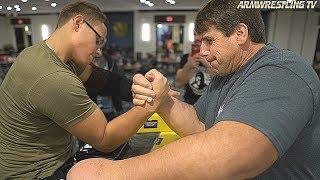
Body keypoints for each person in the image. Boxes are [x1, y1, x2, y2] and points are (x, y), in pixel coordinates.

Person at [67, 0, 320, 179]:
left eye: (209, 41)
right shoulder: (226, 75)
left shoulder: (281, 71)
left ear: (241, 33)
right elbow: (199, 125)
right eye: (200, 43)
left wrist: (113, 173)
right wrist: (162, 98)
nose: (203, 52)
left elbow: (229, 157)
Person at [0, 1, 153, 179]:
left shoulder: (38, 52)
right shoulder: (52, 77)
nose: (98, 52)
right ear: (78, 23)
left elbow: (101, 79)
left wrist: (138, 88)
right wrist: (150, 103)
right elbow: (104, 138)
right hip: (36, 174)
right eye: (98, 41)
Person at [175, 34, 214, 104]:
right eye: (195, 34)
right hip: (189, 102)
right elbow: (179, 82)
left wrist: (208, 65)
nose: (196, 38)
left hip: (210, 103)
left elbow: (221, 83)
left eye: (200, 34)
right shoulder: (186, 57)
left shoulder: (214, 58)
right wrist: (188, 66)